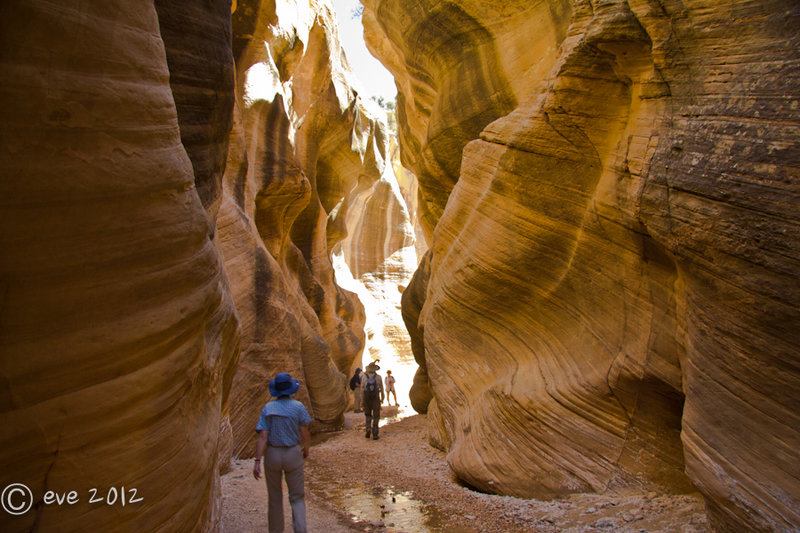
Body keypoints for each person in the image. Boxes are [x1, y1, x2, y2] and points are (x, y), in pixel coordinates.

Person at [253, 372, 312, 533]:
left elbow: (263, 436)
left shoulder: (268, 408)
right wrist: (306, 449)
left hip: (272, 454)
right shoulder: (298, 407)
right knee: (297, 497)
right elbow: (304, 432)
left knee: (275, 499)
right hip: (293, 453)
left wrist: (257, 461)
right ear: (291, 389)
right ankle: (300, 529)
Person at [361, 361, 384, 440]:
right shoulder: (379, 377)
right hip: (375, 398)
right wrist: (382, 398)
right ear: (375, 369)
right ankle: (375, 434)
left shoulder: (364, 377)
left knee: (368, 415)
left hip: (366, 398)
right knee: (376, 416)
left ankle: (368, 428)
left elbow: (362, 389)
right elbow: (381, 388)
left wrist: (362, 401)